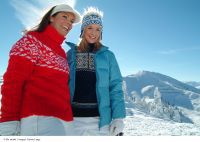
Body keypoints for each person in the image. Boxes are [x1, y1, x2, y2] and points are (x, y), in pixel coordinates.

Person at [0, 4, 81, 136]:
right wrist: (8, 120)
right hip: (39, 118)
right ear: (51, 18)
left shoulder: (61, 52)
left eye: (71, 21)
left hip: (65, 120)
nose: (69, 23)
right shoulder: (31, 41)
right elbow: (13, 82)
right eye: (64, 17)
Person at [66, 7, 126, 136]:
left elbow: (115, 87)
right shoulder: (71, 54)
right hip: (73, 121)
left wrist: (118, 117)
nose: (94, 32)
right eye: (90, 28)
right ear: (83, 30)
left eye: (98, 29)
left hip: (101, 122)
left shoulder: (108, 56)